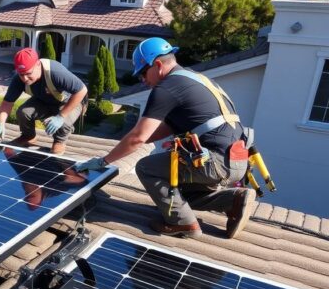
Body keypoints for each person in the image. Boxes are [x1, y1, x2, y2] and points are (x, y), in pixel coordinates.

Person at [74, 37, 256, 238]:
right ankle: (233, 200)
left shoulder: (167, 87)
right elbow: (162, 129)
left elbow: (138, 138)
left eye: (143, 73)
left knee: (146, 167)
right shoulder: (193, 79)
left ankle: (183, 224)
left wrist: (104, 161)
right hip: (238, 162)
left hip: (214, 162)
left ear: (158, 65)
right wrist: (131, 143)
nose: (143, 80)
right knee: (175, 194)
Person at [0, 48, 88, 155]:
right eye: (21, 74)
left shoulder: (55, 72)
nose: (25, 78)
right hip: (44, 100)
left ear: (38, 64)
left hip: (70, 101)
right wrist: (0, 123)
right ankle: (28, 136)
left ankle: (59, 141)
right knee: (23, 112)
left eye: (28, 73)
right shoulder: (18, 79)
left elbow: (82, 91)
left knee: (64, 122)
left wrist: (61, 116)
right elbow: (7, 103)